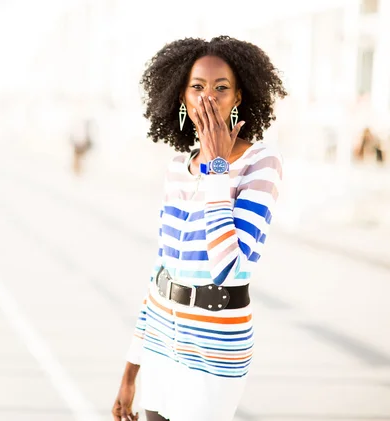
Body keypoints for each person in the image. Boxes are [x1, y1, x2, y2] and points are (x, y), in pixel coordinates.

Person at [112, 36, 287, 421]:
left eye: (221, 88)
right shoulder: (177, 167)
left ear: (239, 97)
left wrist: (218, 167)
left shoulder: (262, 161)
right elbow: (161, 271)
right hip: (160, 341)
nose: (209, 97)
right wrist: (131, 369)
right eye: (197, 87)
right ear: (181, 97)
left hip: (214, 351)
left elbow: (230, 269)